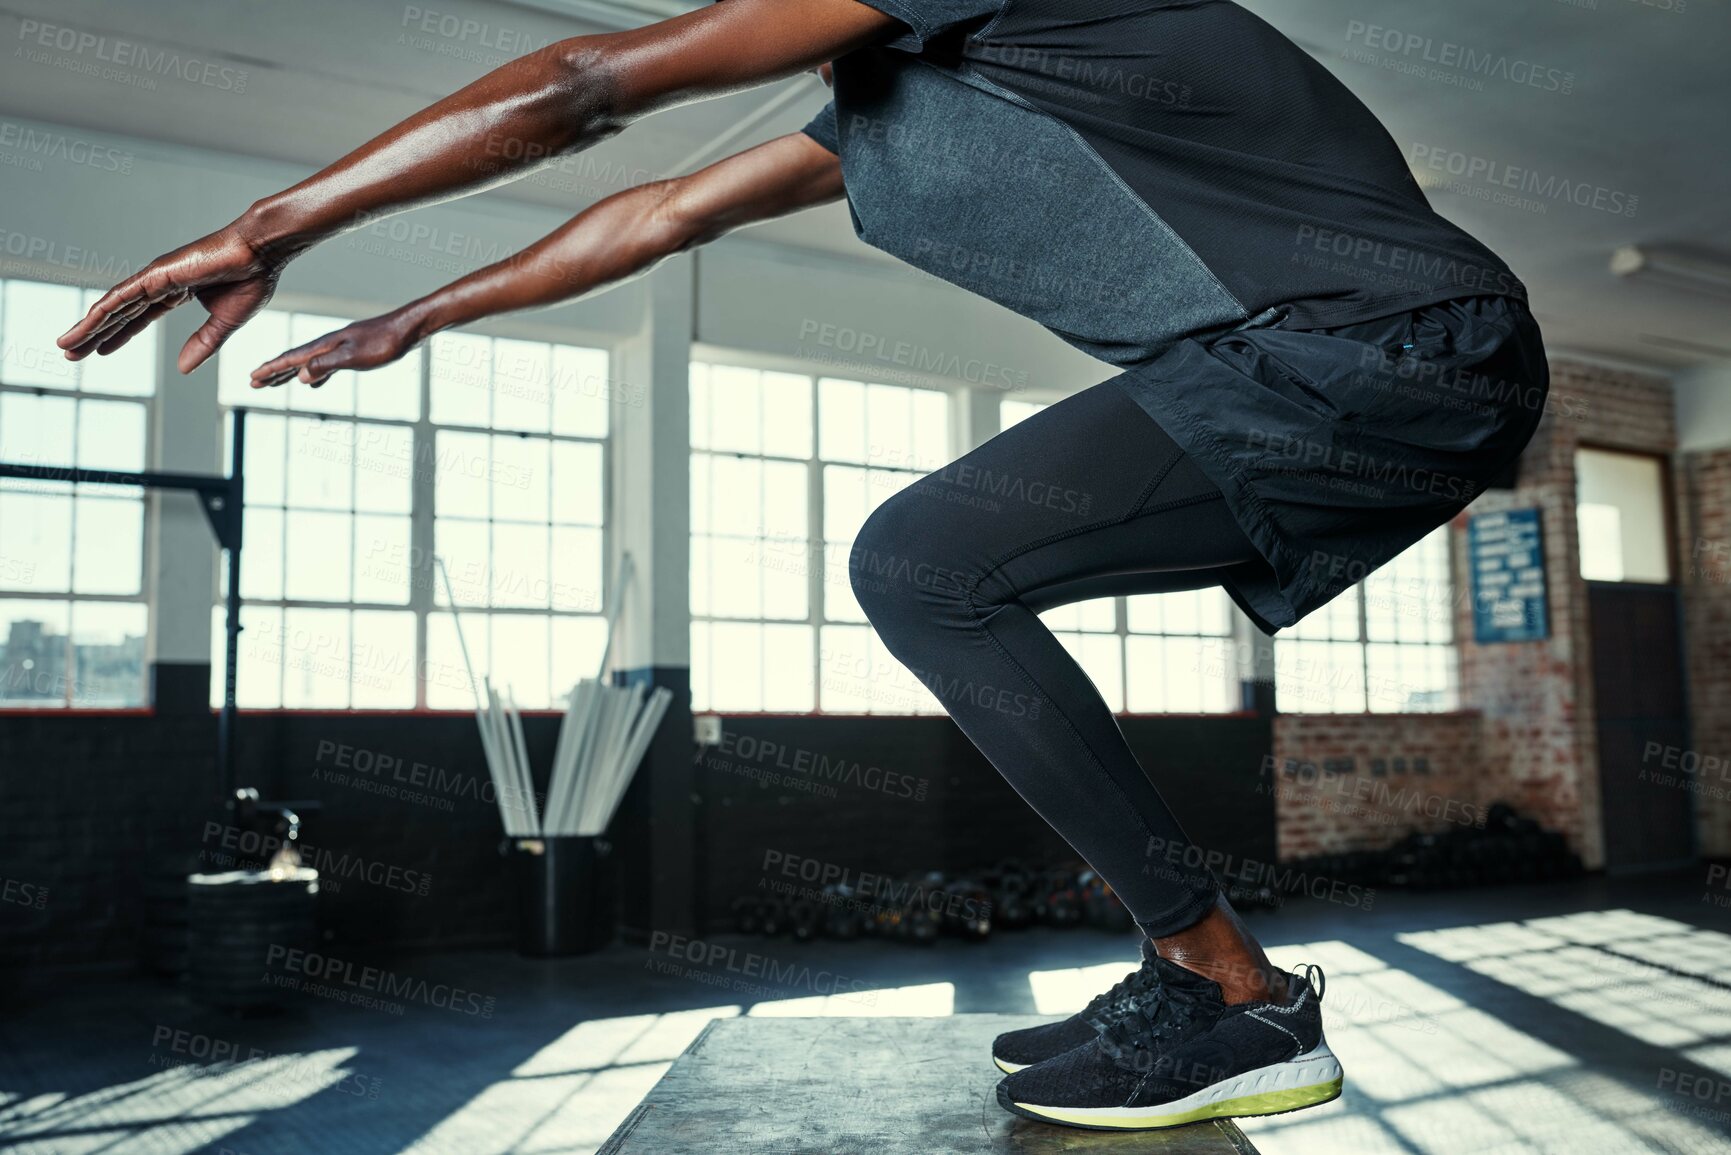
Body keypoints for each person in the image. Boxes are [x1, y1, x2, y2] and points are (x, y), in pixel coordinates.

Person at [57, 0, 1547, 1132]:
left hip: (1382, 347)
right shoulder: (882, 102)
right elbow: (660, 210)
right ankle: (1205, 978)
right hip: (1358, 373)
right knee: (942, 569)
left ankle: (1239, 994)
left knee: (921, 560)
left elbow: (589, 88)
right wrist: (419, 316)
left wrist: (273, 224)